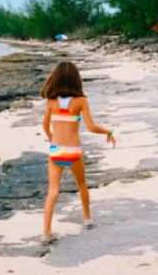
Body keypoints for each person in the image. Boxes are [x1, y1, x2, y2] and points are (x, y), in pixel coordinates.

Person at [40, 61, 116, 245]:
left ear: (55, 79)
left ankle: (46, 232)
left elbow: (44, 125)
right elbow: (91, 127)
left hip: (56, 151)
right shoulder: (81, 101)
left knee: (53, 191)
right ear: (76, 80)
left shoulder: (51, 101)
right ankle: (87, 218)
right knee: (81, 184)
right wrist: (108, 132)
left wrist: (52, 138)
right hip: (73, 151)